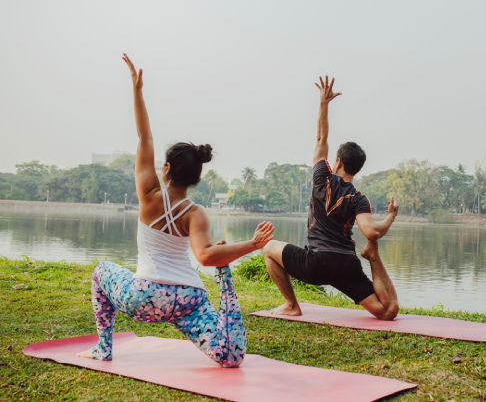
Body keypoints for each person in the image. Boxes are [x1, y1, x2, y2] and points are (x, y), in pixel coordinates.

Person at [77, 54, 275, 368]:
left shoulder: (149, 195)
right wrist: (252, 245)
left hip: (145, 299)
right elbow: (206, 257)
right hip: (187, 300)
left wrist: (137, 91)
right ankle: (226, 283)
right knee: (230, 359)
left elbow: (145, 138)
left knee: (101, 272)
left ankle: (103, 348)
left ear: (166, 168)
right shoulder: (196, 214)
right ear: (197, 177)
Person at [263, 76, 399, 320]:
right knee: (388, 311)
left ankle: (291, 305)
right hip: (346, 265)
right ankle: (373, 257)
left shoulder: (321, 178)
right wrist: (390, 217)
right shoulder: (359, 198)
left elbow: (320, 138)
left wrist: (324, 104)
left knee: (269, 248)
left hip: (315, 264)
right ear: (357, 169)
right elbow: (372, 233)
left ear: (337, 162)